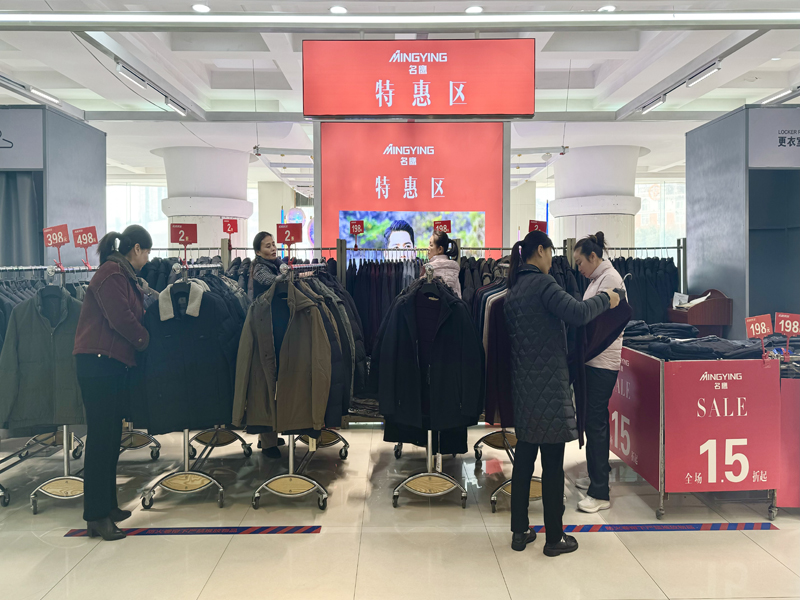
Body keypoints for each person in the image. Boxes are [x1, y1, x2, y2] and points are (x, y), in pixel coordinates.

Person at [503, 230, 619, 557]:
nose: (552, 261)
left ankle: (519, 531)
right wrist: (607, 300)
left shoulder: (513, 291)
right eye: (551, 254)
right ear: (540, 251)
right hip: (550, 388)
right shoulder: (544, 284)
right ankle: (554, 538)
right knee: (552, 465)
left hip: (523, 388)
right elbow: (578, 313)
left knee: (524, 461)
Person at [73, 225, 153, 541]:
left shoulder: (122, 275)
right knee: (101, 440)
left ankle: (108, 506)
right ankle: (96, 516)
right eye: (147, 252)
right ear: (136, 249)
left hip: (111, 364)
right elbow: (120, 318)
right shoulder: (111, 274)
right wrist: (145, 341)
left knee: (110, 439)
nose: (147, 259)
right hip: (98, 364)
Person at [573, 232, 626, 514]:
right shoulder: (597, 280)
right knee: (593, 420)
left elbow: (602, 324)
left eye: (580, 262)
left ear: (593, 257)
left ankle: (600, 492)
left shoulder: (611, 280)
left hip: (602, 363)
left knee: (595, 423)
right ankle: (597, 475)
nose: (578, 268)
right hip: (593, 361)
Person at [249, 231, 286, 458]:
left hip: (274, 329)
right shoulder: (260, 270)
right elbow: (272, 283)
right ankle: (268, 440)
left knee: (274, 381)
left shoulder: (277, 265)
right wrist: (287, 276)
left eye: (273, 244)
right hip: (265, 331)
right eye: (267, 246)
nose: (273, 249)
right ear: (258, 251)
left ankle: (269, 436)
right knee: (267, 383)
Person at [424, 230, 462, 298]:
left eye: (431, 245)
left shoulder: (428, 270)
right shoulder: (454, 270)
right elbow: (458, 295)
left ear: (440, 249)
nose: (428, 248)